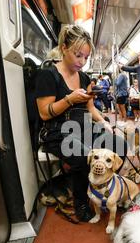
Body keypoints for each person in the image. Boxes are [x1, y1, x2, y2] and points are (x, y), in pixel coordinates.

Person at [35, 25, 126, 222]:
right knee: (86, 156)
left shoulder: (84, 77)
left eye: (85, 57)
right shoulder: (48, 75)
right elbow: (44, 113)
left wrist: (104, 122)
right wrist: (69, 99)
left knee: (118, 145)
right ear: (64, 47)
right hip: (58, 132)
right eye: (78, 55)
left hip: (84, 127)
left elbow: (91, 108)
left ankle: (106, 189)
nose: (82, 62)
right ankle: (82, 200)